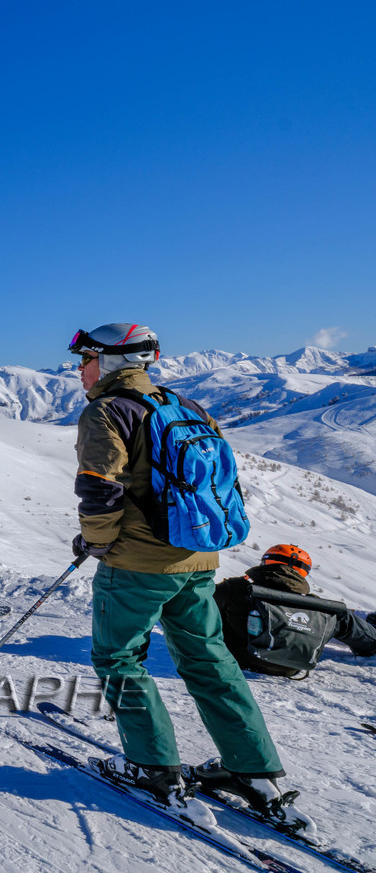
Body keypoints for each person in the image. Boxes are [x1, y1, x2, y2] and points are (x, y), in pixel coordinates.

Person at [69, 322, 291, 812]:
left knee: (119, 658)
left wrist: (96, 543)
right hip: (198, 558)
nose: (78, 370)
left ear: (106, 361)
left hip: (138, 564)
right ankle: (252, 767)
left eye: (83, 359)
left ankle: (153, 767)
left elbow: (99, 488)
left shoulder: (107, 410)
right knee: (209, 659)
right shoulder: (184, 406)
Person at [214, 544, 376, 670]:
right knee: (341, 616)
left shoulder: (237, 588)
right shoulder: (318, 608)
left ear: (265, 563)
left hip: (241, 659)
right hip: (292, 669)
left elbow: (200, 610)